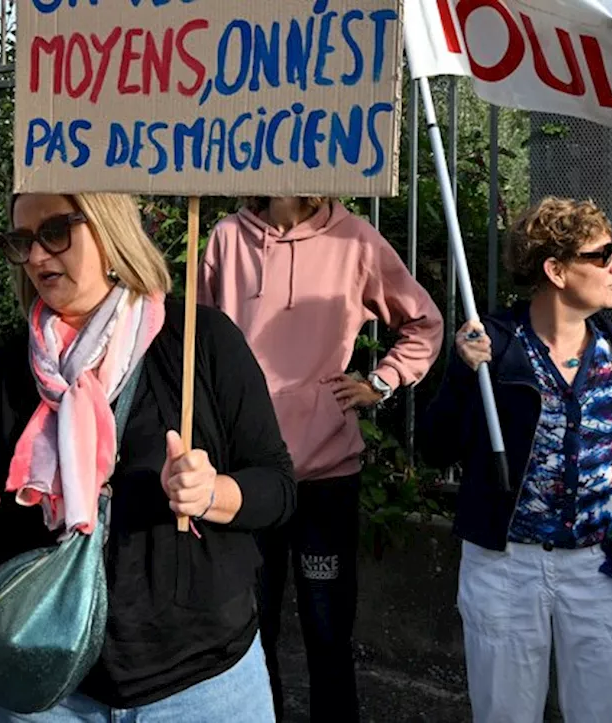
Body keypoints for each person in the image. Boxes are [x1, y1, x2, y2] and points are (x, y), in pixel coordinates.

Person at [0, 192, 298, 721]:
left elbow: (277, 487)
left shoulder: (199, 342)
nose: (38, 257)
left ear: (109, 228)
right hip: (47, 687)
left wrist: (214, 494)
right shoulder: (11, 366)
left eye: (55, 232)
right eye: (22, 242)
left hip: (202, 685)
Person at [419, 197, 612, 723]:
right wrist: (462, 374)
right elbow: (436, 448)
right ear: (556, 270)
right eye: (602, 254)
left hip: (603, 567)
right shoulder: (493, 347)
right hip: (506, 569)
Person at [199, 195, 444, 722]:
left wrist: (382, 380)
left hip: (327, 478)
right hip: (247, 476)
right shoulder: (225, 237)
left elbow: (424, 321)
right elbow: (194, 342)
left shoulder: (354, 238)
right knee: (247, 636)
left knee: (328, 632)